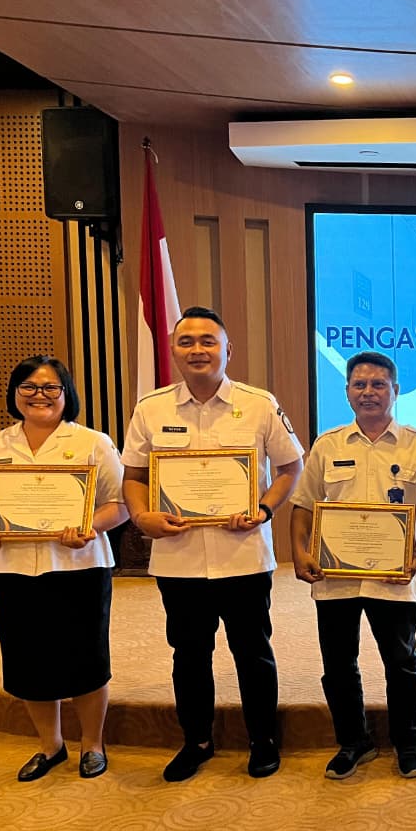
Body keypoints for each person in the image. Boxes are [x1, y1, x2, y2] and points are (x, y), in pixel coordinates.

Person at [121, 306, 304, 782]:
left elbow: (291, 468)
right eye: (186, 341)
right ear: (173, 350)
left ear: (227, 349)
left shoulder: (259, 403)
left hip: (244, 556)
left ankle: (262, 741)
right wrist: (141, 516)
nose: (197, 349)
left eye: (208, 341)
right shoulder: (151, 408)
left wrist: (264, 510)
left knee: (252, 651)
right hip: (178, 560)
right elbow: (134, 476)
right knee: (189, 655)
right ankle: (196, 742)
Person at [289, 351, 416, 780]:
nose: (369, 392)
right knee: (338, 665)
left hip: (391, 579)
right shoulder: (327, 445)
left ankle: (408, 743)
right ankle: (353, 741)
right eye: (359, 385)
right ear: (346, 392)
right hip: (336, 580)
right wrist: (300, 551)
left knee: (401, 662)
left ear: (395, 391)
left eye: (378, 384)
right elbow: (304, 505)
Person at [0, 357, 128, 781]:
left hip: (79, 567)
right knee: (27, 661)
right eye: (29, 387)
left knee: (86, 658)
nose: (40, 395)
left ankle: (92, 744)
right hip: (12, 571)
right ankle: (51, 747)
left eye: (51, 387)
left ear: (66, 393)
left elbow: (120, 505)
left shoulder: (93, 442)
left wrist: (90, 527)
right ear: (15, 393)